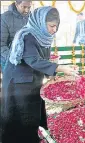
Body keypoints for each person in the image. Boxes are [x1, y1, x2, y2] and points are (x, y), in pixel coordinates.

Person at [0, 6, 78, 143]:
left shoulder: (43, 36)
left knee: (31, 113)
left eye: (56, 26)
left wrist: (52, 73)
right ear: (41, 22)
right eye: (52, 26)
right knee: (21, 114)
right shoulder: (28, 35)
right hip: (18, 82)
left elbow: (43, 59)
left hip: (30, 79)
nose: (54, 30)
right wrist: (60, 68)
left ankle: (30, 137)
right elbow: (33, 60)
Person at [1, 0, 32, 70]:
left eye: (29, 7)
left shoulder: (32, 17)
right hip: (9, 60)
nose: (27, 10)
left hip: (28, 60)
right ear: (16, 4)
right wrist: (13, 58)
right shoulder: (4, 18)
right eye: (23, 7)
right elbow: (1, 44)